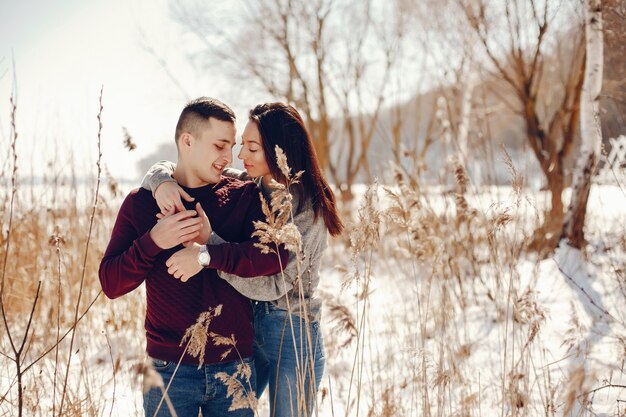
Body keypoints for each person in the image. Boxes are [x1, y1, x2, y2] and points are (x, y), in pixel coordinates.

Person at [141, 102, 344, 417]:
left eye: (252, 148)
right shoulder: (254, 184)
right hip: (249, 329)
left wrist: (210, 248)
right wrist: (161, 181)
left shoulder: (307, 209)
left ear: (280, 152)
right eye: (242, 146)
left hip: (291, 331)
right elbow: (179, 165)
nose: (240, 156)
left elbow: (278, 284)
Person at [99, 97, 288, 417]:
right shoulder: (142, 203)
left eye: (232, 146)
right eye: (220, 146)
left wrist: (209, 254)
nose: (229, 157)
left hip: (235, 366)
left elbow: (276, 257)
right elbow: (111, 283)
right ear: (187, 141)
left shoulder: (244, 196)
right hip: (169, 372)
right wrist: (154, 241)